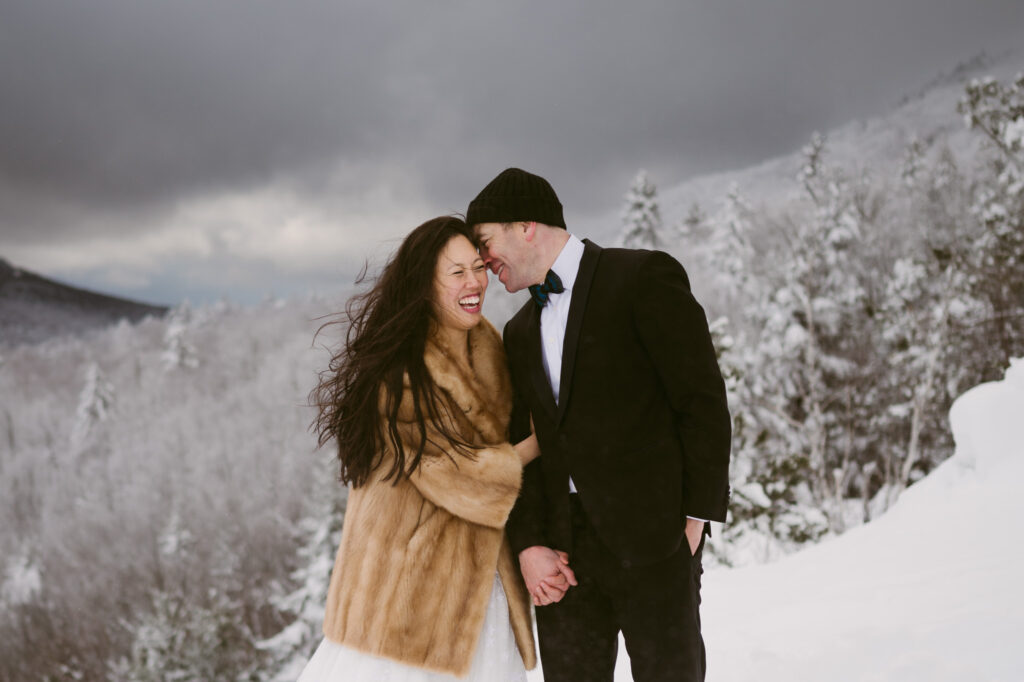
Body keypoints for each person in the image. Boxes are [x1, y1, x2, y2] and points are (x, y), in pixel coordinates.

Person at [466, 168, 732, 682]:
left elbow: (700, 401)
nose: (482, 261)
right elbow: (519, 447)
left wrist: (694, 519)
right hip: (564, 561)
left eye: (485, 241)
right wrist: (528, 543)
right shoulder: (518, 332)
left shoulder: (642, 278)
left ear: (526, 225)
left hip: (655, 542)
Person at [300, 216, 539, 681]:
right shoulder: (401, 370)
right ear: (425, 285)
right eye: (456, 273)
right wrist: (537, 445)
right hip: (407, 597)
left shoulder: (488, 345)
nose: (474, 283)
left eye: (478, 267)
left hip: (476, 585)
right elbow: (456, 475)